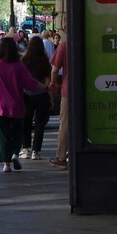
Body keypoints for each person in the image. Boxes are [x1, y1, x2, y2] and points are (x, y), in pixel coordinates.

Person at [0, 36, 45, 172]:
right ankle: (15, 153)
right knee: (17, 133)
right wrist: (44, 86)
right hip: (17, 106)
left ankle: (6, 164)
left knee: (3, 136)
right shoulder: (19, 65)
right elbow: (29, 83)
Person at [19, 33, 54, 161]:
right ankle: (36, 151)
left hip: (27, 95)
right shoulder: (44, 60)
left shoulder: (24, 60)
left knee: (26, 122)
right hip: (41, 95)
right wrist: (50, 98)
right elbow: (48, 80)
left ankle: (25, 149)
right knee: (40, 124)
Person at [49, 36, 70, 169]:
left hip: (68, 90)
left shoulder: (64, 45)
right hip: (90, 90)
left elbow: (55, 69)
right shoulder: (90, 42)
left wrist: (53, 82)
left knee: (65, 124)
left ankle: (62, 157)